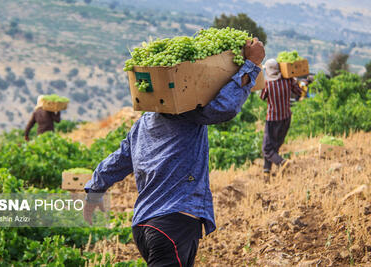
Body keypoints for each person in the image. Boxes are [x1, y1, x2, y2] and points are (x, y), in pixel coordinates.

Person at [83, 38, 265, 267]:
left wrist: (95, 189)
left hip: (144, 226)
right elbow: (224, 107)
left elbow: (118, 160)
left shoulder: (143, 124)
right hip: (173, 224)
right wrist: (251, 64)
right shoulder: (187, 114)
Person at [260, 59, 302, 181]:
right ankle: (266, 173)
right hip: (286, 118)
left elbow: (262, 97)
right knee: (274, 146)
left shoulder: (268, 84)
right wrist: (293, 80)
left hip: (273, 119)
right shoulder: (288, 81)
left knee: (267, 149)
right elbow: (299, 92)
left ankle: (282, 163)